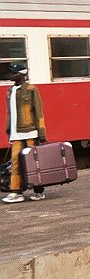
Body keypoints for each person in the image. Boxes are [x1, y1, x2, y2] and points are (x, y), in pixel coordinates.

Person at [2, 64, 47, 203]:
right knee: (15, 162)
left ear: (22, 74)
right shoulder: (10, 91)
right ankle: (16, 192)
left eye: (13, 73)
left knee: (33, 163)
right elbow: (10, 113)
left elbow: (39, 112)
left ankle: (38, 191)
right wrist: (9, 131)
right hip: (16, 134)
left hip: (30, 132)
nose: (10, 75)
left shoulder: (31, 89)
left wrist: (41, 133)